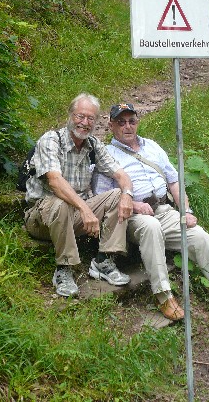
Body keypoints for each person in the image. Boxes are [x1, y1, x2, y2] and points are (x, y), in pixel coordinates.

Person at [93, 103, 209, 327]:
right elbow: (102, 196)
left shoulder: (152, 147)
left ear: (137, 122)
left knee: (199, 236)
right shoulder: (107, 154)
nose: (127, 126)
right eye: (121, 122)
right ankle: (164, 296)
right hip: (131, 217)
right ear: (111, 126)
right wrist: (135, 205)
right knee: (151, 227)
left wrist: (185, 211)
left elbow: (174, 181)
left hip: (163, 210)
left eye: (131, 121)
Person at [24, 93, 135, 298]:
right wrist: (84, 208)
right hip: (42, 218)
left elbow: (120, 174)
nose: (85, 123)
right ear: (70, 115)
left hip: (76, 217)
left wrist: (127, 194)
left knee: (117, 195)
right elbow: (55, 181)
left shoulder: (93, 145)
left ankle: (104, 260)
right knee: (61, 203)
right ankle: (64, 269)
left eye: (90, 118)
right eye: (80, 116)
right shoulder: (51, 140)